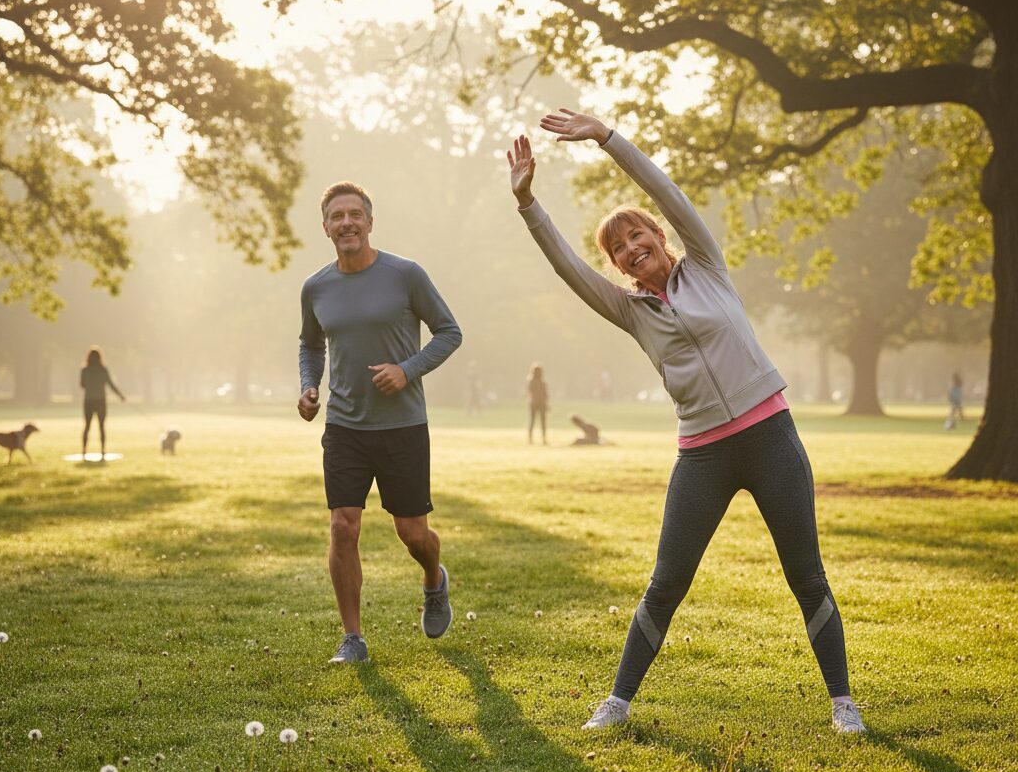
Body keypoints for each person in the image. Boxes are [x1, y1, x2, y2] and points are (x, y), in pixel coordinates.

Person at [506, 110, 865, 735]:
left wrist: (609, 138)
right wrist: (528, 202)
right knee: (667, 580)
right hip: (702, 453)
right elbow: (567, 267)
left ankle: (842, 704)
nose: (630, 248)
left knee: (805, 574)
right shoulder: (629, 310)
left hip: (770, 437)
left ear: (659, 235)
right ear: (618, 266)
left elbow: (668, 192)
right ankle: (616, 703)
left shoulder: (706, 266)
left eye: (637, 235)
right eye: (618, 248)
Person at [298, 180, 463, 665]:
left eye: (355, 214)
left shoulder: (405, 274)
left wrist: (406, 369)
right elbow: (310, 345)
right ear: (325, 226)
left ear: (370, 221)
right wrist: (310, 386)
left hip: (403, 427)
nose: (346, 222)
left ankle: (434, 579)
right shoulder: (316, 286)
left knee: (413, 534)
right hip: (345, 427)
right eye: (336, 216)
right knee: (342, 527)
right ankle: (353, 638)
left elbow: (449, 331)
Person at [79, 346, 125, 458]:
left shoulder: (85, 370)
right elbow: (110, 384)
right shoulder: (103, 370)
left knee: (87, 426)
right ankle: (103, 449)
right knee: (101, 426)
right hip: (100, 400)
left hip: (89, 400)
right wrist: (120, 395)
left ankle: (84, 449)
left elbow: (82, 385)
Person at [526, 362, 549, 444]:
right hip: (536, 403)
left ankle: (541, 439)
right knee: (535, 422)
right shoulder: (538, 382)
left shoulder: (536, 381)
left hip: (536, 403)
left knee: (540, 422)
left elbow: (545, 394)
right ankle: (532, 439)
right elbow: (545, 394)